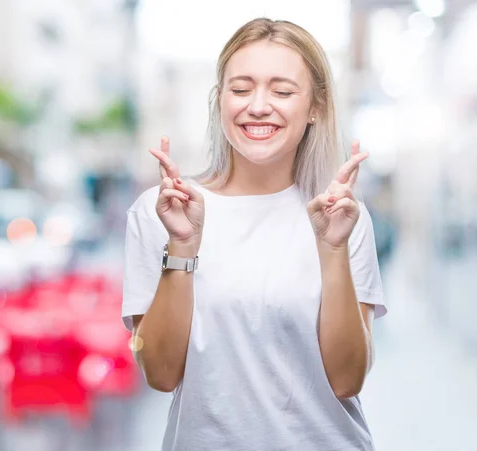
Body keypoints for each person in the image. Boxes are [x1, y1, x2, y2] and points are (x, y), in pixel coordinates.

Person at [122, 17, 386, 451]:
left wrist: (333, 248)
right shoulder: (162, 213)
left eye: (282, 91)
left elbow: (347, 378)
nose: (258, 106)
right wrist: (182, 247)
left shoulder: (341, 216)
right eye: (241, 89)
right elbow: (160, 372)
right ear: (220, 100)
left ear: (315, 106)